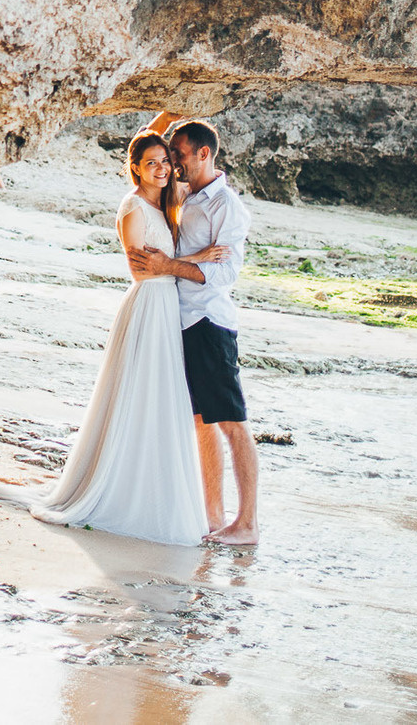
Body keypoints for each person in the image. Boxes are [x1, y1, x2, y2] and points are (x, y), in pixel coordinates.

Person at [0, 130, 217, 545]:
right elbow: (140, 272)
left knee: (162, 401)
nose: (162, 169)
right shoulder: (133, 209)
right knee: (138, 396)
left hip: (168, 310)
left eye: (165, 161)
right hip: (148, 306)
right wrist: (194, 260)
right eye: (151, 163)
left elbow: (209, 181)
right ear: (135, 169)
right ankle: (118, 492)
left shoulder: (166, 203)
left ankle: (154, 490)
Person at [129, 117, 260, 546]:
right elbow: (143, 161)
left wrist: (169, 267)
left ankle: (247, 523)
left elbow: (226, 273)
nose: (175, 163)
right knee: (202, 422)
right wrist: (163, 122)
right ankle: (212, 515)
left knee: (232, 422)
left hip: (209, 323)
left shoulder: (227, 207)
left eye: (181, 154)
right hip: (179, 321)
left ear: (204, 153)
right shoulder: (184, 195)